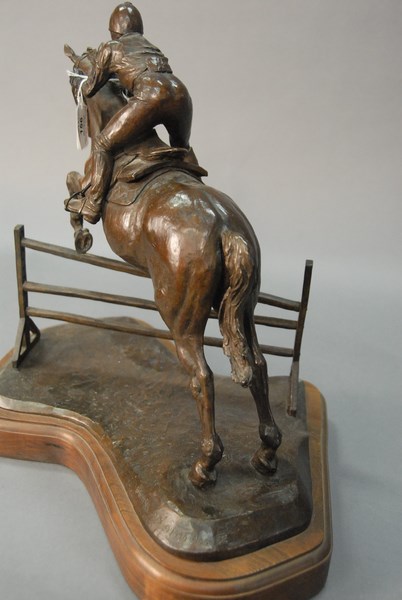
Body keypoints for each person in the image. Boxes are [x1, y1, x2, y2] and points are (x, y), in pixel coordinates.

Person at [67, 2, 194, 224]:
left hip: (151, 96)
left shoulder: (111, 47)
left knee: (102, 144)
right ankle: (195, 182)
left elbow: (91, 88)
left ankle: (93, 205)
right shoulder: (151, 47)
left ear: (113, 31)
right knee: (182, 149)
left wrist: (85, 74)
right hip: (181, 96)